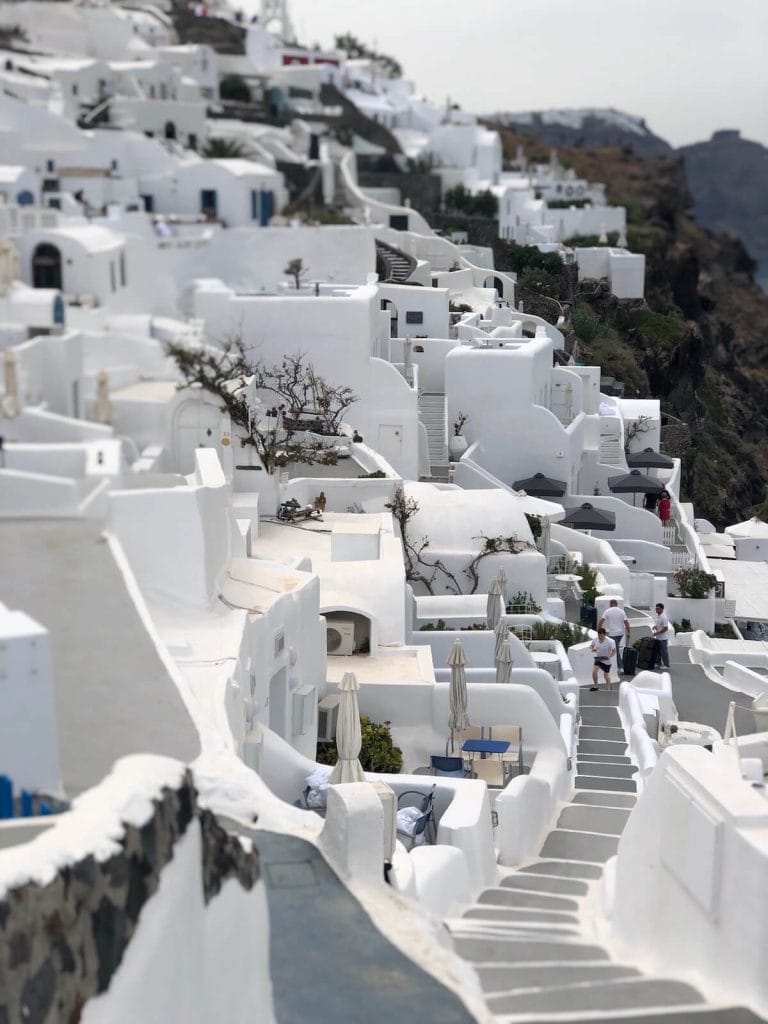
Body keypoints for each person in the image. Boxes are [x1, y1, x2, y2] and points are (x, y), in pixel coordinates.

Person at [651, 602, 670, 671]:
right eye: (656, 608)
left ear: (662, 609)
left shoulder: (664, 617)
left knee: (663, 652)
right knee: (658, 651)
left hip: (663, 638)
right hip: (659, 638)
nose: (656, 610)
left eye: (658, 608)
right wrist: (655, 627)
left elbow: (665, 628)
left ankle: (666, 664)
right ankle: (658, 663)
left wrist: (656, 633)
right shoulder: (659, 616)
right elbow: (659, 626)